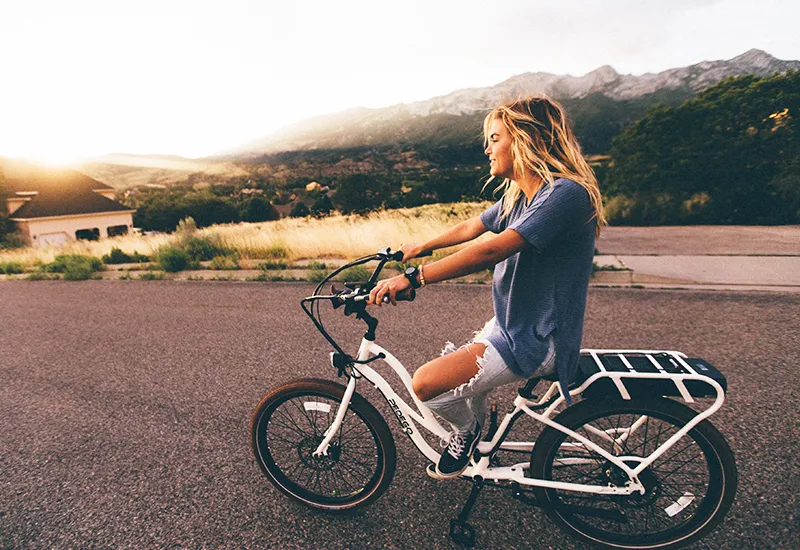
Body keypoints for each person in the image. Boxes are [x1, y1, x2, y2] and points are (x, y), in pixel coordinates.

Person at [368, 96, 606, 479]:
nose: (487, 148)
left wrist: (415, 277)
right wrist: (422, 246)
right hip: (510, 326)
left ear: (526, 139)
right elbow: (473, 227)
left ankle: (466, 432)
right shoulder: (521, 197)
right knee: (461, 377)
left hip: (538, 339)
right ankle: (478, 436)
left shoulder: (564, 195)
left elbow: (492, 248)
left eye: (495, 138)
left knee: (426, 384)